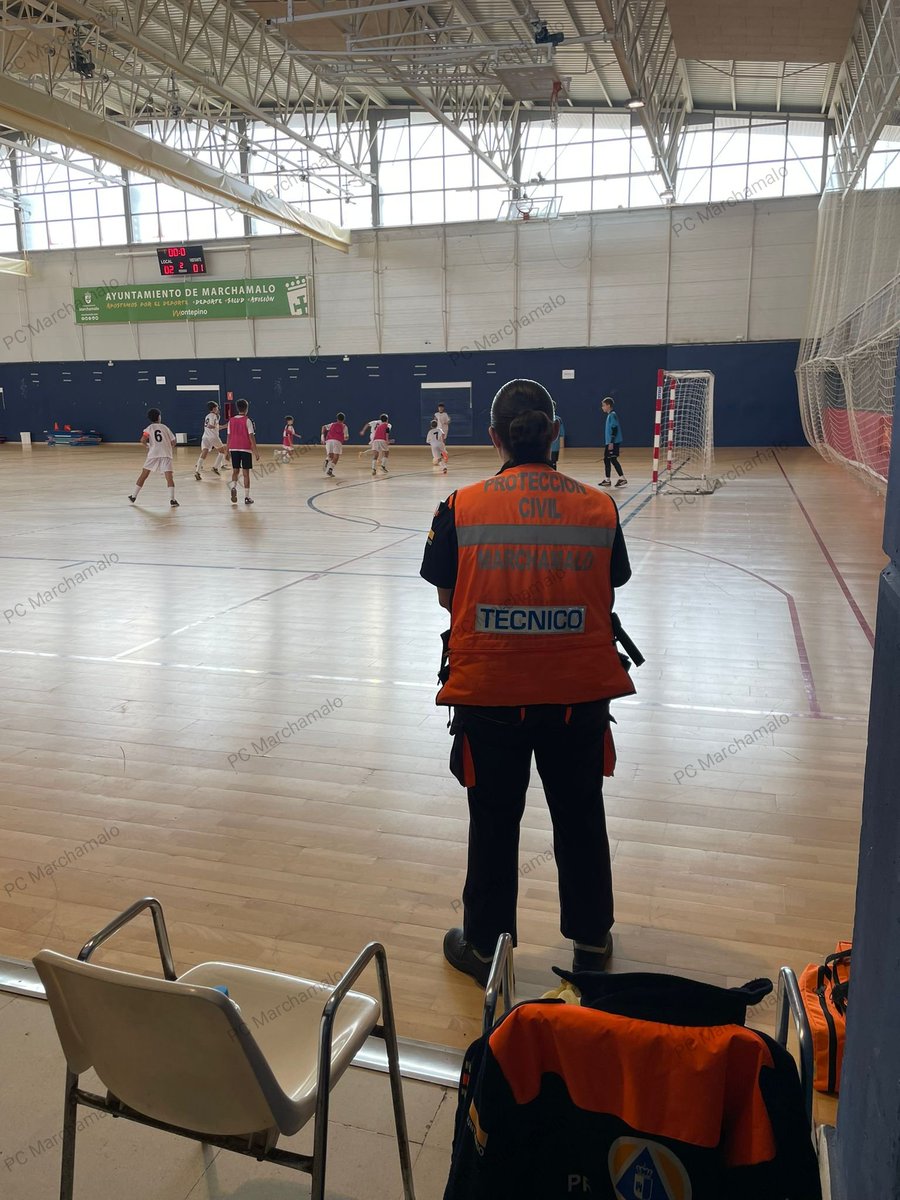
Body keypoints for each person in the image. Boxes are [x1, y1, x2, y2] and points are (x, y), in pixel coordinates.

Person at [420, 378, 635, 987]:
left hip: (491, 695)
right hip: (578, 694)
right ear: (556, 434)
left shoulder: (459, 507)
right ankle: (592, 938)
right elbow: (607, 586)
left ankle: (486, 947)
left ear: (495, 439)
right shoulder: (600, 507)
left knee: (492, 818)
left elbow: (446, 596)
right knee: (579, 813)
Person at [129, 408, 179, 507]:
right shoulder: (165, 427)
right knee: (169, 477)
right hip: (166, 454)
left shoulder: (149, 428)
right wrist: (168, 446)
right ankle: (172, 500)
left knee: (144, 475)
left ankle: (133, 496)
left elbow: (143, 440)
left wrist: (149, 446)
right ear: (159, 417)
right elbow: (173, 441)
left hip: (153, 453)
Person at [226, 398, 259, 505]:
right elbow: (251, 436)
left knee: (235, 470)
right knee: (246, 474)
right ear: (246, 409)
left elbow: (229, 436)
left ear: (237, 408)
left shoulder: (231, 421)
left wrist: (227, 450)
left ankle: (234, 487)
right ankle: (247, 497)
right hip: (245, 448)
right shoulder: (247, 420)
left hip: (233, 447)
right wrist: (255, 451)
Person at [194, 401, 227, 479]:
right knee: (222, 451)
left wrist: (225, 426)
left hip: (205, 436)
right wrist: (220, 426)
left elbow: (215, 426)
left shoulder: (207, 416)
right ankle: (215, 467)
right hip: (213, 436)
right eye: (217, 407)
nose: (218, 409)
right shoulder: (213, 416)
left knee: (204, 452)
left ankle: (197, 471)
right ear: (214, 408)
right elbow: (211, 426)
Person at [600, 396, 626, 487]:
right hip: (610, 442)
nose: (602, 407)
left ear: (608, 405)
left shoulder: (612, 415)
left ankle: (621, 478)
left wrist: (611, 441)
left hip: (612, 442)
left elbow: (614, 428)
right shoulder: (610, 415)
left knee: (611, 459)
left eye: (603, 405)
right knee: (608, 459)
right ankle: (609, 479)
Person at [322, 412, 349, 477]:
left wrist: (322, 436)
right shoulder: (344, 426)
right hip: (337, 441)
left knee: (330, 456)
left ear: (337, 419)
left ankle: (327, 460)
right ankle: (330, 470)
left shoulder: (332, 424)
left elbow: (323, 427)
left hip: (328, 440)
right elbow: (346, 437)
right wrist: (345, 438)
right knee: (336, 457)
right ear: (343, 419)